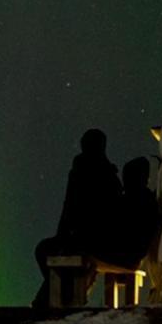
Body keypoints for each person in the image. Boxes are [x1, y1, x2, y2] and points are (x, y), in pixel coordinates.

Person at [32, 128, 122, 308]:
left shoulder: (82, 170)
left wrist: (64, 234)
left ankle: (56, 297)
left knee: (45, 251)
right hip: (97, 238)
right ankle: (63, 295)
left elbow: (70, 208)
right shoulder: (110, 175)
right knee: (53, 255)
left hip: (86, 239)